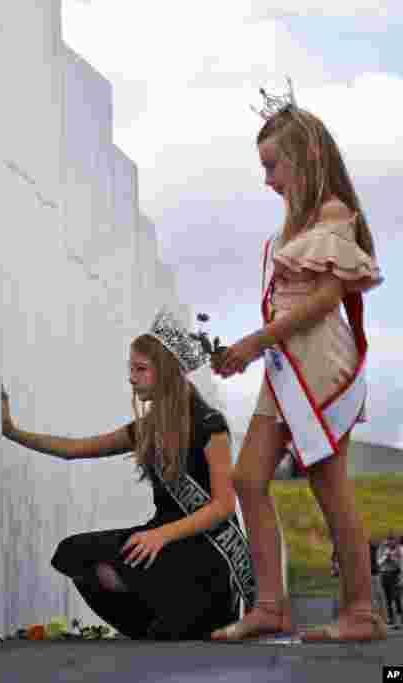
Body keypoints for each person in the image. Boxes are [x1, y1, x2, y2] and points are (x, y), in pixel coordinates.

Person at [209, 80, 387, 642]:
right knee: (247, 476)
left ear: (305, 158)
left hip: (317, 362)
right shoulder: (293, 226)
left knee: (328, 482)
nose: (267, 180)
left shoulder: (334, 214)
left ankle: (362, 612)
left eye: (272, 166)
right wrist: (250, 349)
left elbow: (326, 300)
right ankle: (270, 606)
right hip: (285, 360)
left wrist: (254, 343)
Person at [1, 309, 256, 640]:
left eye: (141, 369)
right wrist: (12, 431)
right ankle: (153, 625)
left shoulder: (210, 424)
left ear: (165, 372)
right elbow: (75, 449)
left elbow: (222, 506)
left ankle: (182, 618)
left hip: (207, 554)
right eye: (131, 369)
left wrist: (160, 535)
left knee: (137, 564)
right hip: (162, 546)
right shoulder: (150, 428)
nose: (132, 378)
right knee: (77, 554)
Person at [379, 537, 402, 627]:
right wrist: (385, 557)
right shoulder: (382, 550)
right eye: (388, 544)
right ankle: (390, 618)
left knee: (396, 597)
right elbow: (379, 563)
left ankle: (399, 619)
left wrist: (392, 558)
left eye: (391, 543)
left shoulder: (399, 550)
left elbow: (399, 564)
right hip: (384, 575)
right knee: (387, 598)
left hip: (394, 574)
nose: (389, 545)